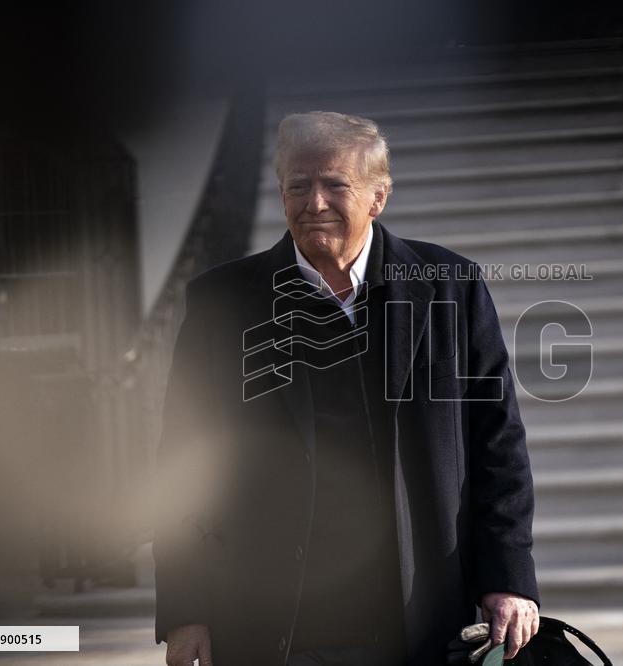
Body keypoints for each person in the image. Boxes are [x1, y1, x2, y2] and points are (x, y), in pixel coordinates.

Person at [154, 111, 540, 666]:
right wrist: (187, 608)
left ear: (378, 196)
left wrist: (507, 579)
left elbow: (498, 445)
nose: (315, 203)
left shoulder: (451, 287)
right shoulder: (221, 302)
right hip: (271, 627)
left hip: (420, 622)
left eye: (335, 184)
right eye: (298, 186)